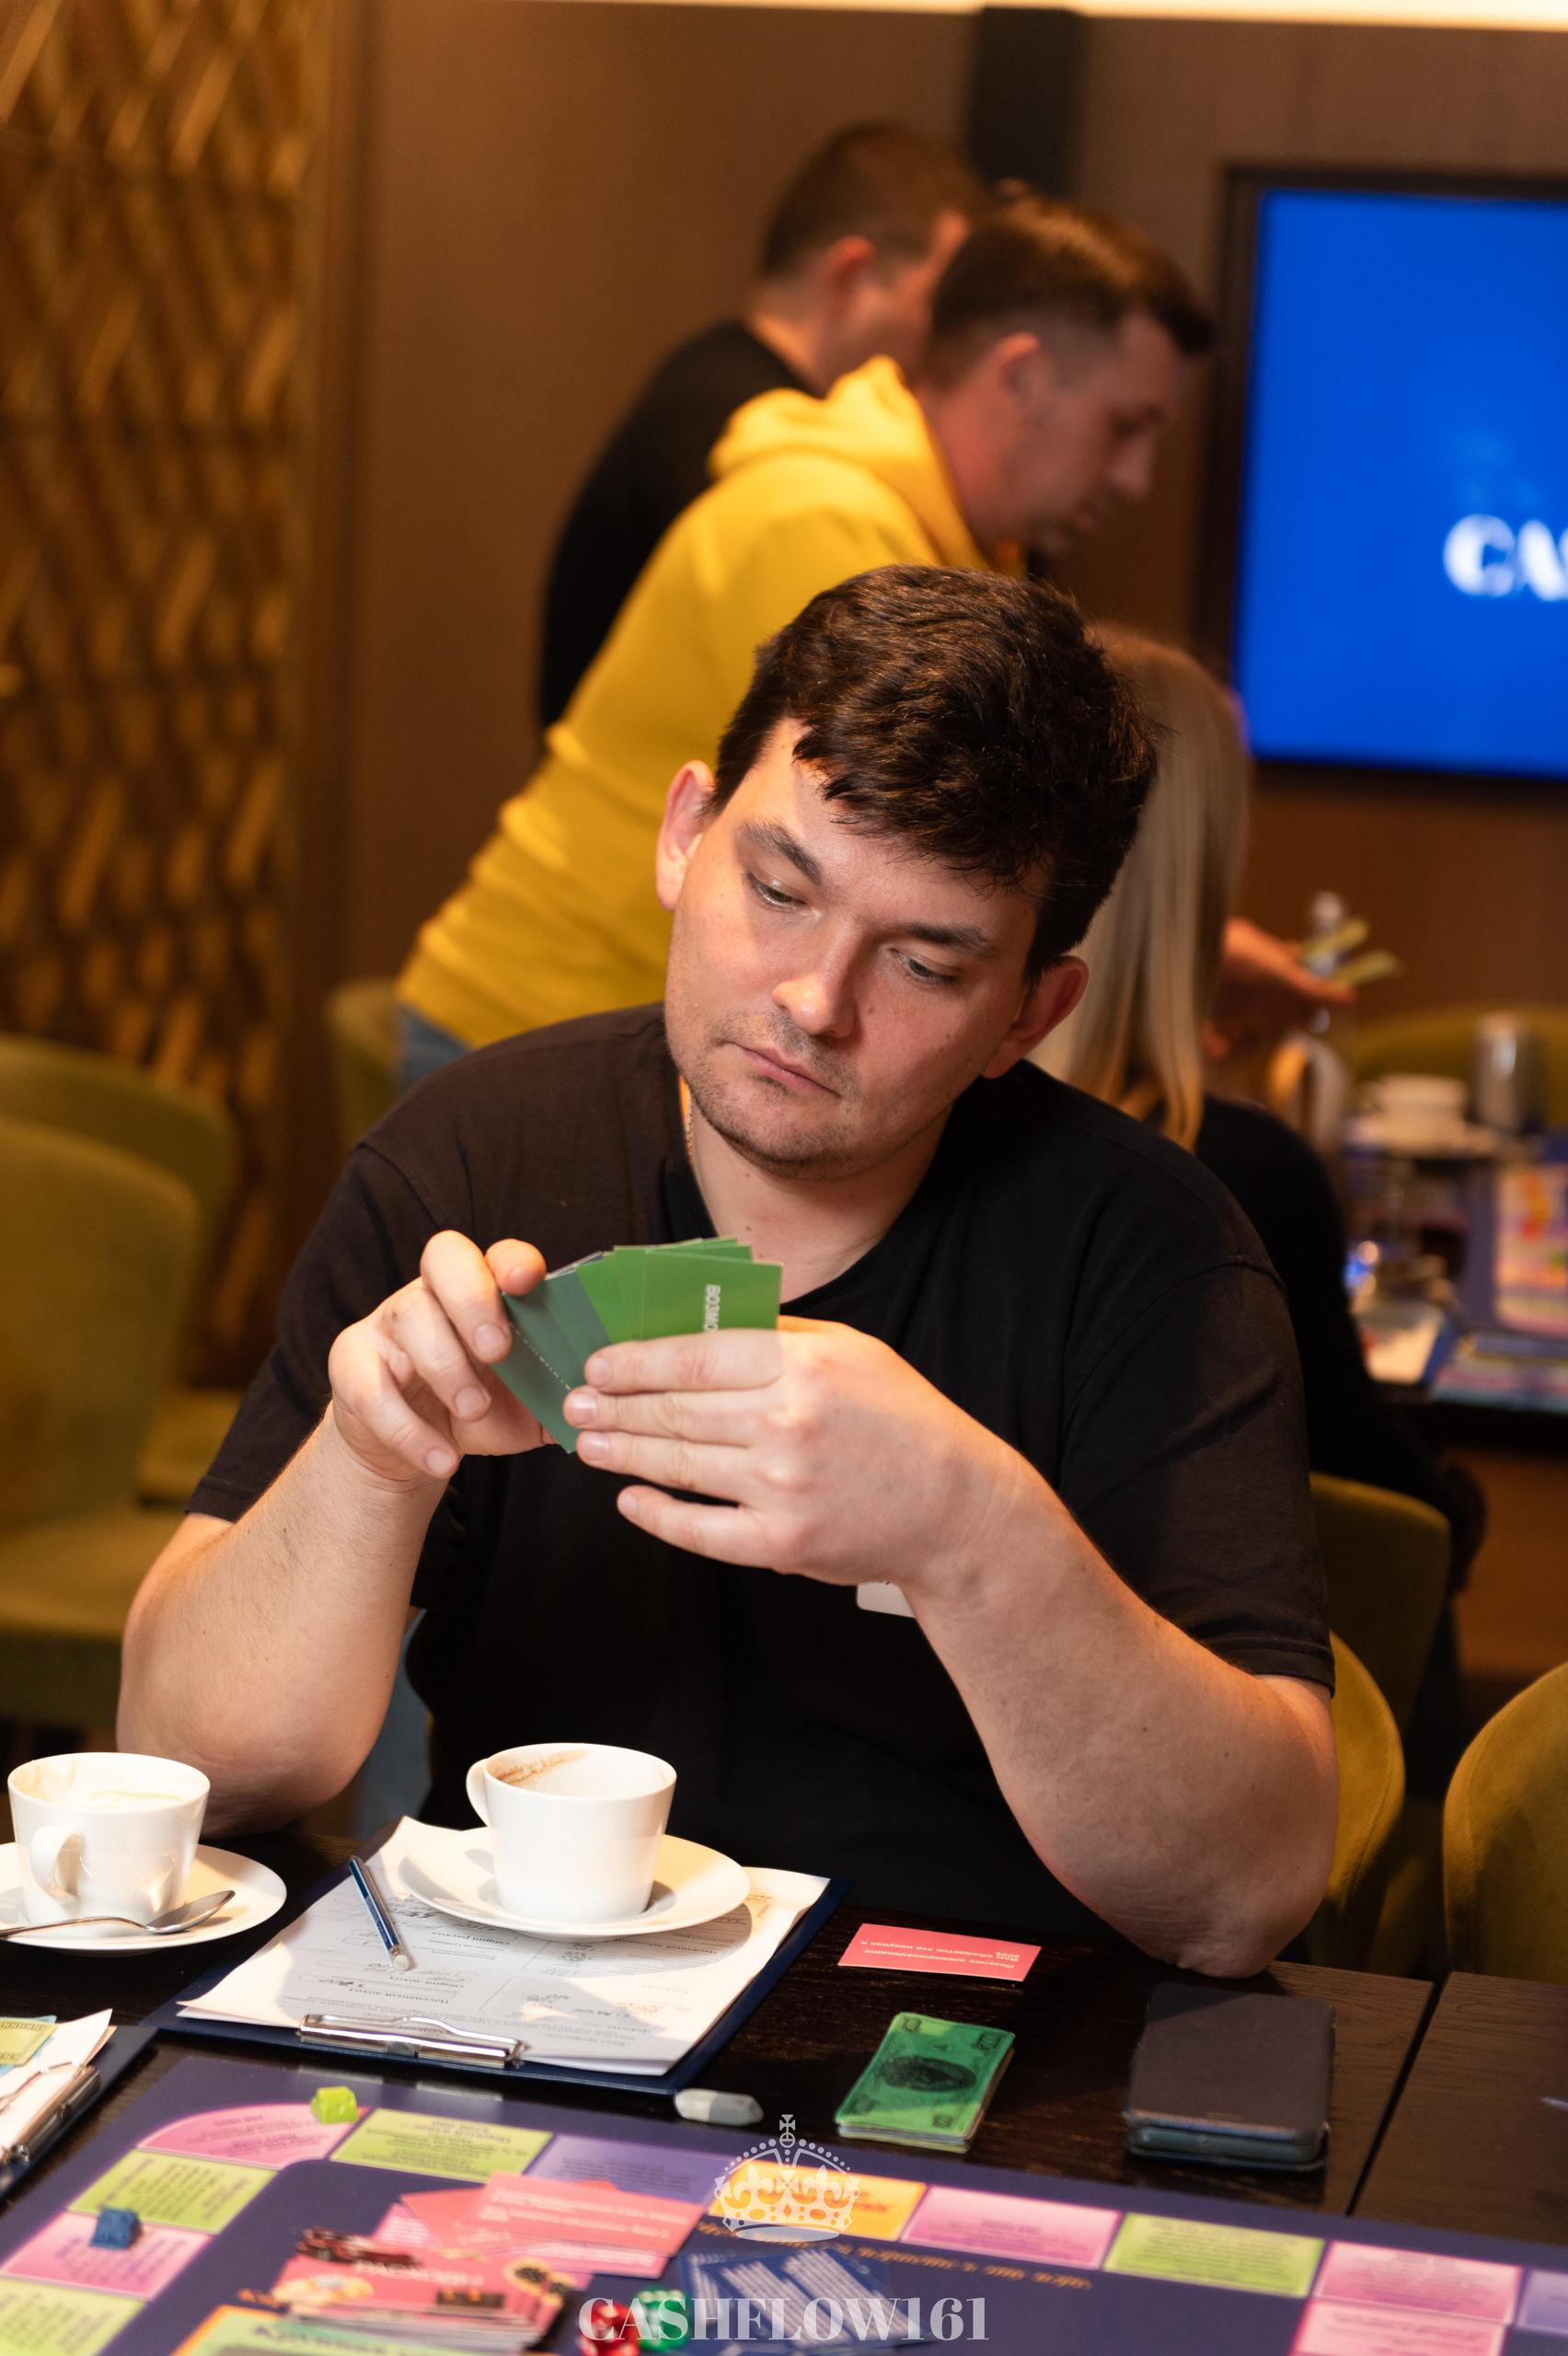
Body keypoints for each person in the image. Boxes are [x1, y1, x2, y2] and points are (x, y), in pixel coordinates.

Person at [123, 568, 1337, 1972]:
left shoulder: (1153, 1255)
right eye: (777, 890)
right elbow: (186, 1768)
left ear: (1030, 1011)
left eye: (925, 966)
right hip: (520, 2013)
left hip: (977, 2043)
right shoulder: (472, 1160)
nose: (815, 1001)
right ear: (683, 836)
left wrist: (968, 1532)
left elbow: (1245, 1894)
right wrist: (370, 1460)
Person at [394, 194, 1219, 1082]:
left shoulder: (946, 543)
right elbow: (913, 863)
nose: (1137, 478)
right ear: (1022, 375)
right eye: (1126, 426)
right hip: (543, 1018)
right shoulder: (827, 523)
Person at [1034, 629, 1484, 1580]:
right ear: (1202, 865)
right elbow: (1366, 1470)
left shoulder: (932, 1122)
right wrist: (1461, 1510)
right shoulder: (1240, 1177)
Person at [537, 121, 987, 731]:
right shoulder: (755, 437)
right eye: (936, 304)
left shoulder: (714, 376)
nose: (946, 341)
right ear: (851, 276)